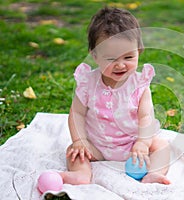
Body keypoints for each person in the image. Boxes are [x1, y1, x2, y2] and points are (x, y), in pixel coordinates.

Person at [60, 7, 171, 185]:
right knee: (74, 151)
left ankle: (153, 174)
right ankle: (81, 175)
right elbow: (77, 113)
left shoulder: (140, 84)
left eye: (128, 57)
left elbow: (146, 117)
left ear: (139, 52)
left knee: (161, 146)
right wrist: (80, 140)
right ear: (95, 55)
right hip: (97, 145)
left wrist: (142, 143)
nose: (120, 65)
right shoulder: (88, 83)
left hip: (132, 145)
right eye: (111, 59)